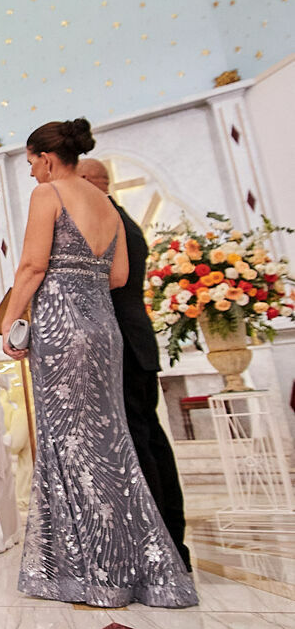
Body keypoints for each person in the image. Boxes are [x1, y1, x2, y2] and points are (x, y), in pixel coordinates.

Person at [1, 119, 196, 608]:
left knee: (68, 442)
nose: (29, 173)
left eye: (29, 163)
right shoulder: (106, 203)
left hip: (63, 326)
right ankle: (140, 566)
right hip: (105, 329)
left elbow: (31, 266)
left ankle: (91, 570)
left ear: (46, 158)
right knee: (111, 444)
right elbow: (120, 275)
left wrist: (10, 320)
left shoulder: (48, 195)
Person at [80, 158, 191, 572]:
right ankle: (171, 542)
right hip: (136, 341)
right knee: (151, 441)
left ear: (91, 182)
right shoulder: (124, 219)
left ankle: (160, 547)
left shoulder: (107, 221)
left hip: (122, 345)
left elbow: (106, 282)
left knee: (139, 444)